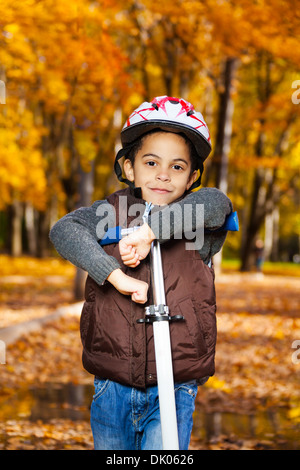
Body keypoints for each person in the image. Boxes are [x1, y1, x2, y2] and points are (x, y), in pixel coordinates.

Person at [49, 96, 233, 450]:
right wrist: (116, 276)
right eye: (151, 162)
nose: (163, 174)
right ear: (129, 168)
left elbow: (215, 204)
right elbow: (64, 230)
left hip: (175, 386)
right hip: (112, 383)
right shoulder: (108, 213)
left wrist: (149, 232)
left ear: (192, 176)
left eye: (177, 167)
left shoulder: (201, 221)